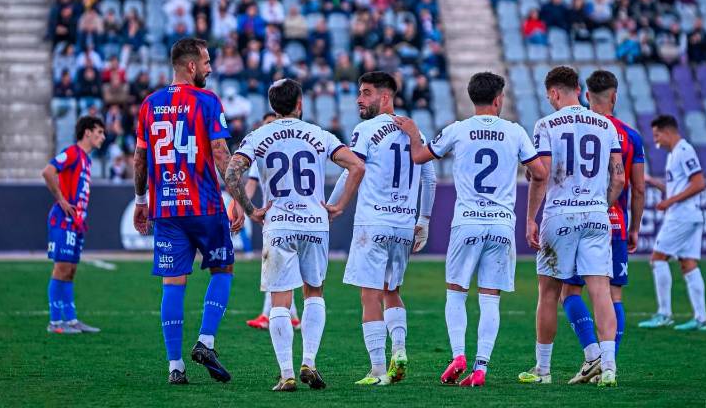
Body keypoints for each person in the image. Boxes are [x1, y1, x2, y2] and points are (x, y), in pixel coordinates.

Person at [395, 71, 546, 387]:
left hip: (467, 222)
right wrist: (530, 175)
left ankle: (458, 354)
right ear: (498, 99)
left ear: (472, 98)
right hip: (501, 224)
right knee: (490, 298)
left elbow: (420, 156)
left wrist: (413, 133)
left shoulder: (458, 129)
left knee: (456, 293)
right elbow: (540, 172)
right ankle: (481, 367)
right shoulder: (515, 131)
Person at [225, 78, 365, 392]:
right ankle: (310, 362)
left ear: (273, 106)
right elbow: (356, 166)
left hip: (278, 224)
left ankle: (287, 373)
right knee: (314, 293)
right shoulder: (318, 134)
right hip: (314, 222)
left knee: (279, 301)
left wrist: (250, 210)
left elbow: (232, 172)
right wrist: (337, 205)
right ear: (299, 103)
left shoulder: (258, 136)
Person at [133, 37, 245, 385]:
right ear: (191, 66)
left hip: (166, 207)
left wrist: (141, 200)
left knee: (173, 283)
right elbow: (221, 154)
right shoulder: (207, 100)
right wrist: (238, 197)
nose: (211, 68)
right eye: (207, 62)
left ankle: (175, 366)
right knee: (223, 267)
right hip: (205, 205)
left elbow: (140, 159)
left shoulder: (150, 104)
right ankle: (206, 341)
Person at [327, 71, 437, 386]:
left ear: (384, 97)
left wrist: (333, 206)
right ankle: (399, 350)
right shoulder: (414, 131)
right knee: (392, 291)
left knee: (370, 295)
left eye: (366, 93)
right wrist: (424, 220)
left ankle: (377, 370)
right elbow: (428, 177)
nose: (359, 99)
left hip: (373, 223)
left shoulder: (365, 130)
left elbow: (352, 172)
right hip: (403, 224)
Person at [518, 66, 624, 387]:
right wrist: (602, 205)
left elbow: (543, 173)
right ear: (578, 88)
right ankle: (608, 367)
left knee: (549, 293)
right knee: (601, 290)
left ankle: (543, 369)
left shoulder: (547, 124)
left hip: (561, 214)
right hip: (595, 214)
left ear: (553, 92)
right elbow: (618, 176)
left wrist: (530, 218)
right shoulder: (605, 124)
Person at [560, 70, 646, 384]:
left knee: (569, 290)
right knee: (613, 295)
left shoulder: (572, 128)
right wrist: (634, 227)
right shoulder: (630, 135)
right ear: (615, 96)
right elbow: (637, 188)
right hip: (614, 223)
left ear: (586, 96)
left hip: (576, 218)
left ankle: (592, 354)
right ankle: (607, 364)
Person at [638, 115, 706, 331]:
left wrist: (669, 201)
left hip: (682, 215)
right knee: (688, 264)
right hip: (690, 215)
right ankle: (701, 318)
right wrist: (653, 183)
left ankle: (664, 314)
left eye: (657, 134)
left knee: (657, 258)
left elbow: (699, 184)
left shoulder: (684, 151)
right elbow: (678, 188)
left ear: (668, 132)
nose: (656, 139)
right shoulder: (674, 155)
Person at [42, 115, 106, 334]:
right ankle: (54, 323)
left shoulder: (86, 159)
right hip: (62, 219)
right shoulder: (71, 153)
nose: (103, 137)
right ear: (87, 132)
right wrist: (60, 198)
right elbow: (48, 171)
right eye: (99, 132)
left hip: (76, 222)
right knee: (61, 268)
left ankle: (70, 320)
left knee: (70, 270)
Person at [243, 112, 302, 330]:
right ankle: (292, 316)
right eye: (265, 124)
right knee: (283, 268)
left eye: (271, 123)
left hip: (282, 218)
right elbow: (250, 184)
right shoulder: (262, 151)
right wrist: (243, 206)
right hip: (284, 217)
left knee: (280, 270)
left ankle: (270, 316)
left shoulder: (290, 147)